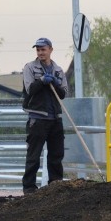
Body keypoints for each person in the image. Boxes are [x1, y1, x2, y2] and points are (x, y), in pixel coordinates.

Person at [21, 37, 69, 194]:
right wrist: (42, 80)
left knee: (56, 155)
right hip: (38, 118)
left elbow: (63, 94)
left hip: (55, 118)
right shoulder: (29, 68)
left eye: (43, 49)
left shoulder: (58, 70)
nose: (40, 52)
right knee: (33, 156)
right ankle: (29, 189)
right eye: (38, 50)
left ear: (50, 50)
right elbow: (29, 90)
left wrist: (55, 82)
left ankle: (55, 187)